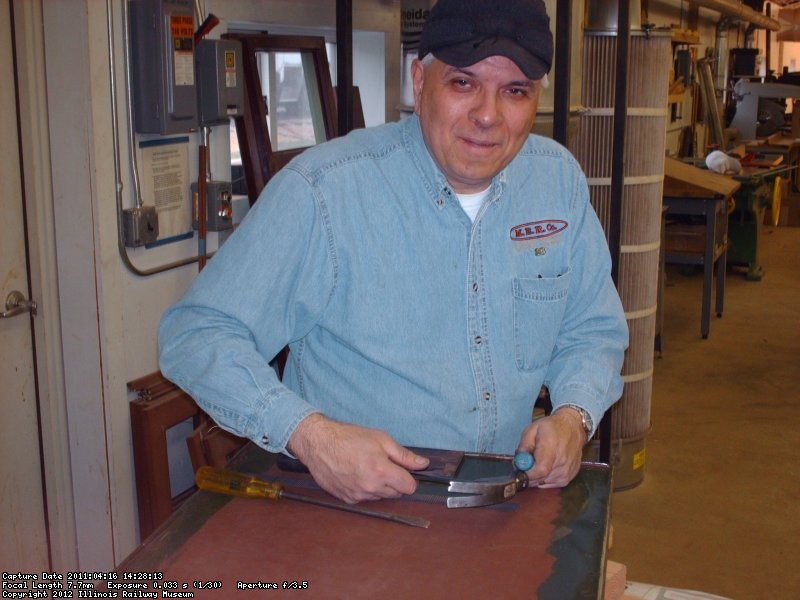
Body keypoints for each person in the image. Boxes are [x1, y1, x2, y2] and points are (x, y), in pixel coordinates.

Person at [159, 0, 628, 505]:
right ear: (420, 80)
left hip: (501, 501)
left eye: (515, 91)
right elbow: (197, 334)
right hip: (354, 507)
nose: (488, 116)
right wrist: (312, 436)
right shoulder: (324, 192)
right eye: (463, 83)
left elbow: (591, 328)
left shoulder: (556, 180)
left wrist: (574, 415)